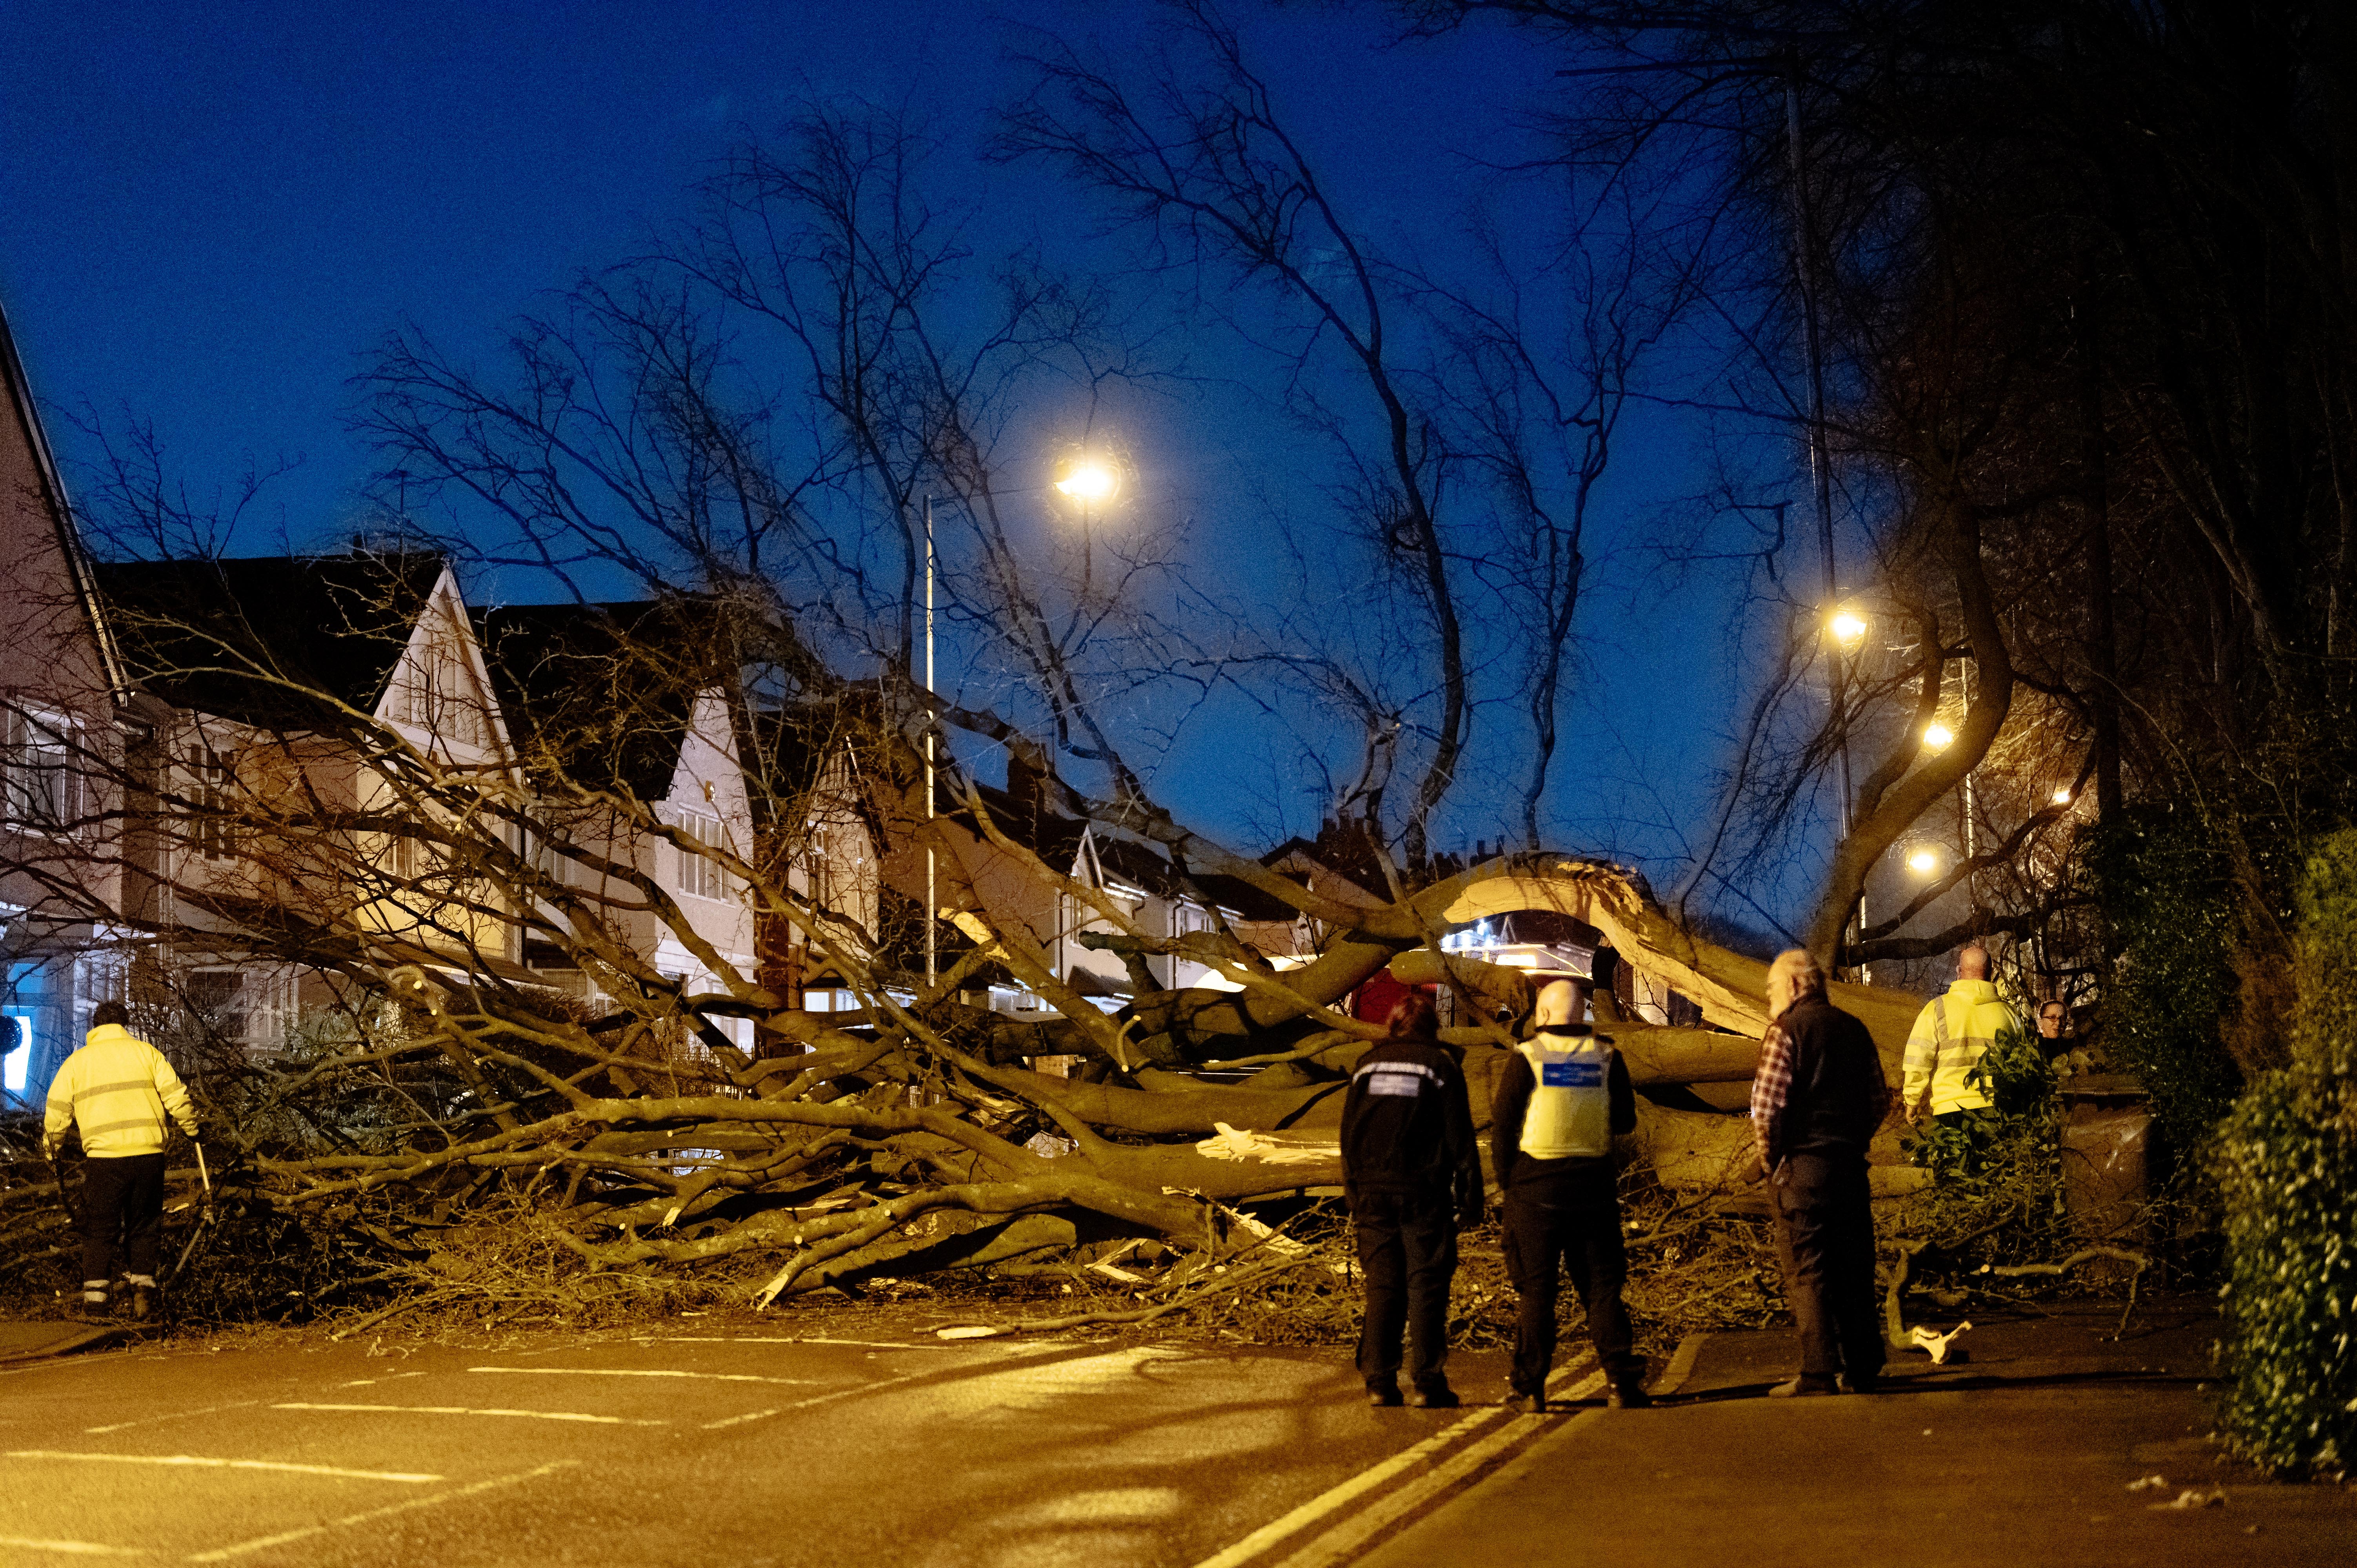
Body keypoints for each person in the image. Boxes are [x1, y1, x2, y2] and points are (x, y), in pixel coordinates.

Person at [1492, 978, 1646, 1413]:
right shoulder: (1607, 1056)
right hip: (1593, 1190)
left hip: (1535, 1191)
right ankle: (1621, 1384)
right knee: (1601, 1290)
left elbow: (1503, 1130)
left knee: (1537, 1291)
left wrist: (1511, 1185)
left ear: (1542, 1016)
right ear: (1584, 1017)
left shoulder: (1527, 1057)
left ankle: (1529, 1389)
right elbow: (1624, 1121)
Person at [1751, 948, 1891, 1396]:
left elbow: (1766, 1107)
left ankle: (1817, 1372)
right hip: (1850, 1168)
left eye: (1772, 987)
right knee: (1854, 1268)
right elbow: (1878, 1100)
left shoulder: (1786, 1030)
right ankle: (1863, 1367)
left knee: (1808, 1271)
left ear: (1794, 985)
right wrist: (1852, 1141)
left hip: (1803, 1169)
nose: (1769, 996)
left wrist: (1771, 1162)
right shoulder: (1855, 1029)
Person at [1340, 991, 1482, 1409]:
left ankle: (1380, 1383)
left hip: (1371, 1191)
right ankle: (1428, 1382)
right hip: (1423, 1191)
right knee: (1425, 1286)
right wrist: (1470, 1197)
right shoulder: (1439, 1065)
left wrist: (1353, 1189)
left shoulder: (1367, 1065)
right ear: (1431, 1028)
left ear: (1393, 1025)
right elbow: (1460, 1137)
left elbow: (1350, 1132)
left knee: (1382, 1287)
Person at [42, 1001, 199, 1320]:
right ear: (125, 1024)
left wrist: (52, 1149)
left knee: (100, 1228)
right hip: (148, 1155)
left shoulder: (78, 1062)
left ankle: (96, 1303)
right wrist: (193, 1128)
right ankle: (143, 1295)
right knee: (145, 1224)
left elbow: (57, 1110)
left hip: (104, 1158)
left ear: (95, 1027)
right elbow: (175, 1095)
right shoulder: (147, 1053)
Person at [1901, 945, 2021, 1154]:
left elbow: (1918, 1059)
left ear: (1959, 972)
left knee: (1952, 1180)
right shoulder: (2009, 1014)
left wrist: (1912, 1100)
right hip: (1997, 1112)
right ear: (1991, 974)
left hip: (1950, 1110)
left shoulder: (1937, 1009)